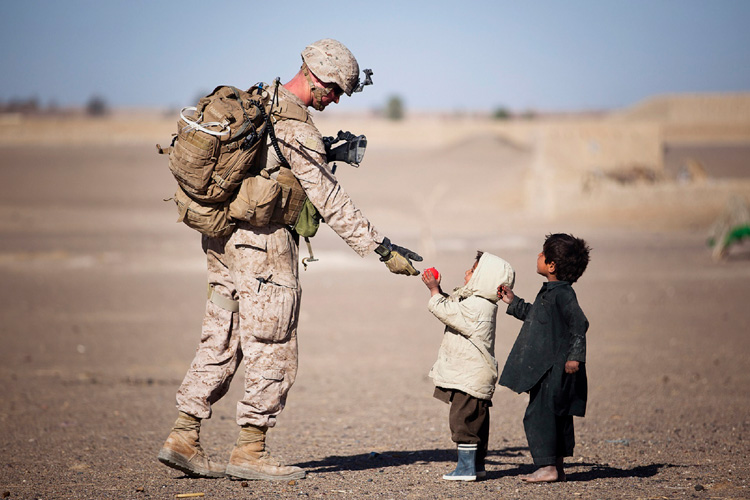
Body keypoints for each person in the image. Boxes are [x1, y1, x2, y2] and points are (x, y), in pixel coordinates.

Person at [157, 38, 423, 482]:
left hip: (223, 240)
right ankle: (250, 450)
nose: (335, 100)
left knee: (221, 335)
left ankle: (184, 435)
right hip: (263, 247)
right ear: (316, 77)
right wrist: (381, 247)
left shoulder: (261, 100)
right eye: (335, 90)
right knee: (273, 345)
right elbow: (330, 199)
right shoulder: (296, 127)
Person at [497, 233, 591, 483]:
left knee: (540, 415)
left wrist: (575, 356)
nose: (538, 255)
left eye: (542, 253)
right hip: (547, 368)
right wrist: (513, 302)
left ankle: (547, 467)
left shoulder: (563, 294)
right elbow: (537, 317)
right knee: (554, 414)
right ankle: (557, 467)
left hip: (555, 369)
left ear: (552, 266)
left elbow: (579, 323)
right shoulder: (551, 291)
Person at [421, 252, 516, 481]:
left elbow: (446, 311)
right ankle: (477, 466)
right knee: (477, 422)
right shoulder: (478, 303)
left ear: (485, 278)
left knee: (463, 421)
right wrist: (440, 290)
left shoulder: (477, 306)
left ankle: (465, 469)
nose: (466, 273)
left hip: (470, 377)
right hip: (474, 375)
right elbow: (454, 306)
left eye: (472, 271)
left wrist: (434, 291)